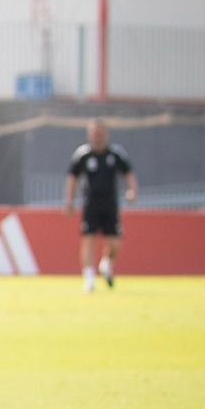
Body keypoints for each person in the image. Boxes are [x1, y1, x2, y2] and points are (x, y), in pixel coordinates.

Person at [63, 120, 137, 293]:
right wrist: (69, 200)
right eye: (94, 134)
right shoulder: (83, 155)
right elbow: (72, 177)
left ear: (106, 135)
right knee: (88, 240)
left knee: (115, 244)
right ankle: (89, 279)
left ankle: (107, 264)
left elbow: (129, 173)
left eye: (100, 134)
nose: (97, 138)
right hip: (90, 205)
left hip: (110, 205)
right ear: (90, 135)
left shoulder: (115, 154)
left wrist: (132, 191)